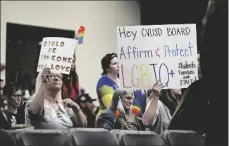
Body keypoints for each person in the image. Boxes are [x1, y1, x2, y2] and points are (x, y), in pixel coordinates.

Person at [96, 53, 142, 118]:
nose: (118, 65)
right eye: (114, 64)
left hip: (127, 117)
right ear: (107, 68)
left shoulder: (122, 78)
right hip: (109, 120)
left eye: (118, 63)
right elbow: (114, 107)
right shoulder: (104, 83)